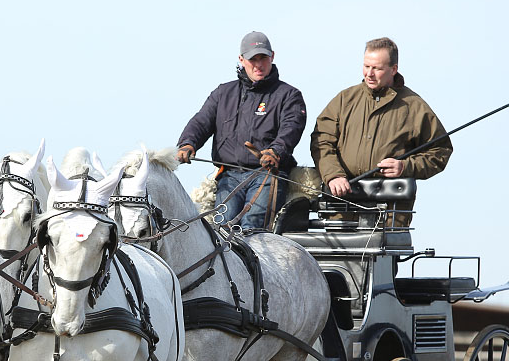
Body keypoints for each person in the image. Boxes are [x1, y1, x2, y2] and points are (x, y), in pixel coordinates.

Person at [309, 37, 452, 226]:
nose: (369, 74)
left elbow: (440, 151)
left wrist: (405, 167)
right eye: (366, 66)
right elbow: (321, 140)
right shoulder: (344, 99)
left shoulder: (414, 106)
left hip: (390, 211)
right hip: (342, 207)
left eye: (377, 68)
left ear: (393, 69)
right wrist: (333, 175)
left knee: (378, 254)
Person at [177, 31, 307, 230]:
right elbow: (201, 121)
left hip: (266, 174)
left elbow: (292, 127)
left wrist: (276, 151)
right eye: (252, 59)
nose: (258, 64)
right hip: (229, 176)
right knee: (222, 228)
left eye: (263, 58)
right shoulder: (223, 93)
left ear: (272, 56)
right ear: (241, 59)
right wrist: (188, 143)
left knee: (252, 226)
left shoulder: (288, 95)